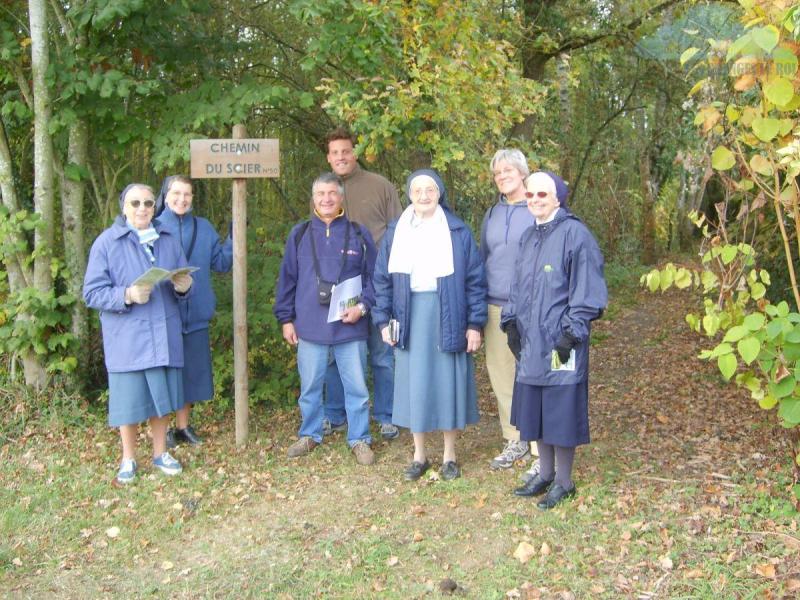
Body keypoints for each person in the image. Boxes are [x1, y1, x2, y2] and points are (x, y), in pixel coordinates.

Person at [372, 169, 487, 481]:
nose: (424, 195)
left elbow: (475, 282)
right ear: (409, 193)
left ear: (440, 193)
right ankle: (419, 454)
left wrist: (475, 324)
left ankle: (450, 455)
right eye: (418, 190)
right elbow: (381, 280)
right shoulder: (397, 231)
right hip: (408, 315)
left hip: (448, 313)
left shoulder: (457, 231)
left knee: (448, 383)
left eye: (430, 190)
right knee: (415, 385)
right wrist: (382, 320)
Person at [502, 171, 607, 509]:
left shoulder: (576, 235)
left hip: (562, 342)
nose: (534, 201)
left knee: (560, 409)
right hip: (532, 340)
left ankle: (564, 480)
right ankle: (544, 473)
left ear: (557, 198)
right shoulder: (529, 237)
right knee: (536, 407)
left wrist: (571, 333)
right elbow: (516, 285)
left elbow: (587, 290)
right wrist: (511, 323)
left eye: (542, 195)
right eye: (530, 195)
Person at [83, 183, 194, 484]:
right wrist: (127, 294)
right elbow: (92, 294)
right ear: (124, 207)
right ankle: (128, 458)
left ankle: (160, 453)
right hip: (128, 338)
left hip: (164, 332)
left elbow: (182, 279)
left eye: (148, 203)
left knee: (162, 399)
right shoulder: (106, 243)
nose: (143, 208)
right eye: (135, 203)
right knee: (129, 403)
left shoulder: (168, 239)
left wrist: (184, 288)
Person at [274, 172, 378, 465]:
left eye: (332, 193)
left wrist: (363, 308)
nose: (327, 199)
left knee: (356, 387)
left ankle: (359, 439)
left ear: (341, 197)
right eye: (321, 194)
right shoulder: (300, 234)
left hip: (350, 326)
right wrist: (286, 319)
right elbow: (287, 280)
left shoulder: (359, 233)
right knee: (310, 387)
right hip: (309, 327)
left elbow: (375, 279)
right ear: (313, 198)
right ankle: (310, 433)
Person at [322, 127, 403, 441]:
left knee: (382, 354)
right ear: (328, 158)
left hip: (378, 284)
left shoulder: (379, 186)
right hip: (338, 290)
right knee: (335, 355)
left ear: (354, 153)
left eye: (345, 151)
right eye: (335, 153)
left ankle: (386, 415)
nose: (341, 157)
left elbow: (398, 233)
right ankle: (335, 414)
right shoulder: (324, 190)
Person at [155, 175, 233, 448]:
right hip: (163, 316)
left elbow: (222, 264)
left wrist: (235, 234)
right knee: (164, 375)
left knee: (191, 374)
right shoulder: (152, 228)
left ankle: (183, 427)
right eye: (176, 193)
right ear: (165, 195)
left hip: (196, 314)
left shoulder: (203, 227)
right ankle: (162, 431)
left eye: (187, 194)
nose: (182, 199)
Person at [480, 149, 539, 473]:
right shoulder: (492, 214)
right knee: (502, 374)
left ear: (522, 172)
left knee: (532, 371)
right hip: (495, 305)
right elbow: (483, 257)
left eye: (508, 170)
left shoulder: (536, 206)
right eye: (497, 173)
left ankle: (538, 442)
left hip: (530, 307)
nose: (503, 176)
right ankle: (514, 438)